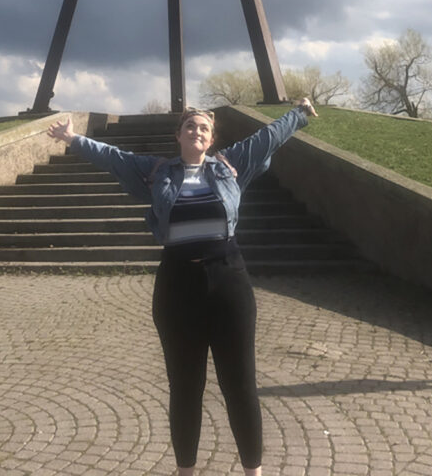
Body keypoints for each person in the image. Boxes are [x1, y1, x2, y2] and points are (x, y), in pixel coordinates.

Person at [47, 98, 318, 476]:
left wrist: (299, 113)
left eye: (204, 128)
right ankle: (185, 471)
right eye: (190, 126)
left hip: (228, 282)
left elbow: (268, 137)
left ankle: (253, 472)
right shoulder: (157, 171)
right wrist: (73, 138)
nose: (196, 131)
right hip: (178, 286)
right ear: (178, 135)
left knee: (240, 385)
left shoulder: (229, 165)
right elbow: (114, 158)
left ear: (211, 139)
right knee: (185, 387)